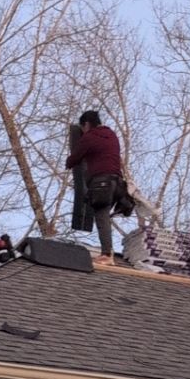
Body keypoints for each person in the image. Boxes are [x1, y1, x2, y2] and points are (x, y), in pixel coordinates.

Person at [66, 111, 124, 264]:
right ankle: (107, 251)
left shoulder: (89, 137)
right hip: (117, 183)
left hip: (102, 183)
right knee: (104, 214)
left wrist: (70, 159)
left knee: (101, 215)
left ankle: (106, 254)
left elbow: (74, 159)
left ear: (86, 124)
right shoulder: (111, 135)